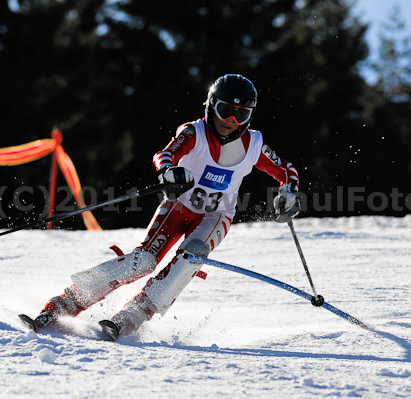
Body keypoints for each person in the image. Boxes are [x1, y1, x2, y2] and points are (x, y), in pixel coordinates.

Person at [19, 74, 301, 341]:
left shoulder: (254, 144)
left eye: (240, 114)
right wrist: (169, 172)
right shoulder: (195, 132)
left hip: (216, 215)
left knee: (190, 259)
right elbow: (164, 154)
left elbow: (287, 169)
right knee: (143, 262)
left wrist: (289, 192)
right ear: (211, 105)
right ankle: (65, 303)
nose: (230, 120)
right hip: (178, 206)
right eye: (225, 110)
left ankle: (131, 316)